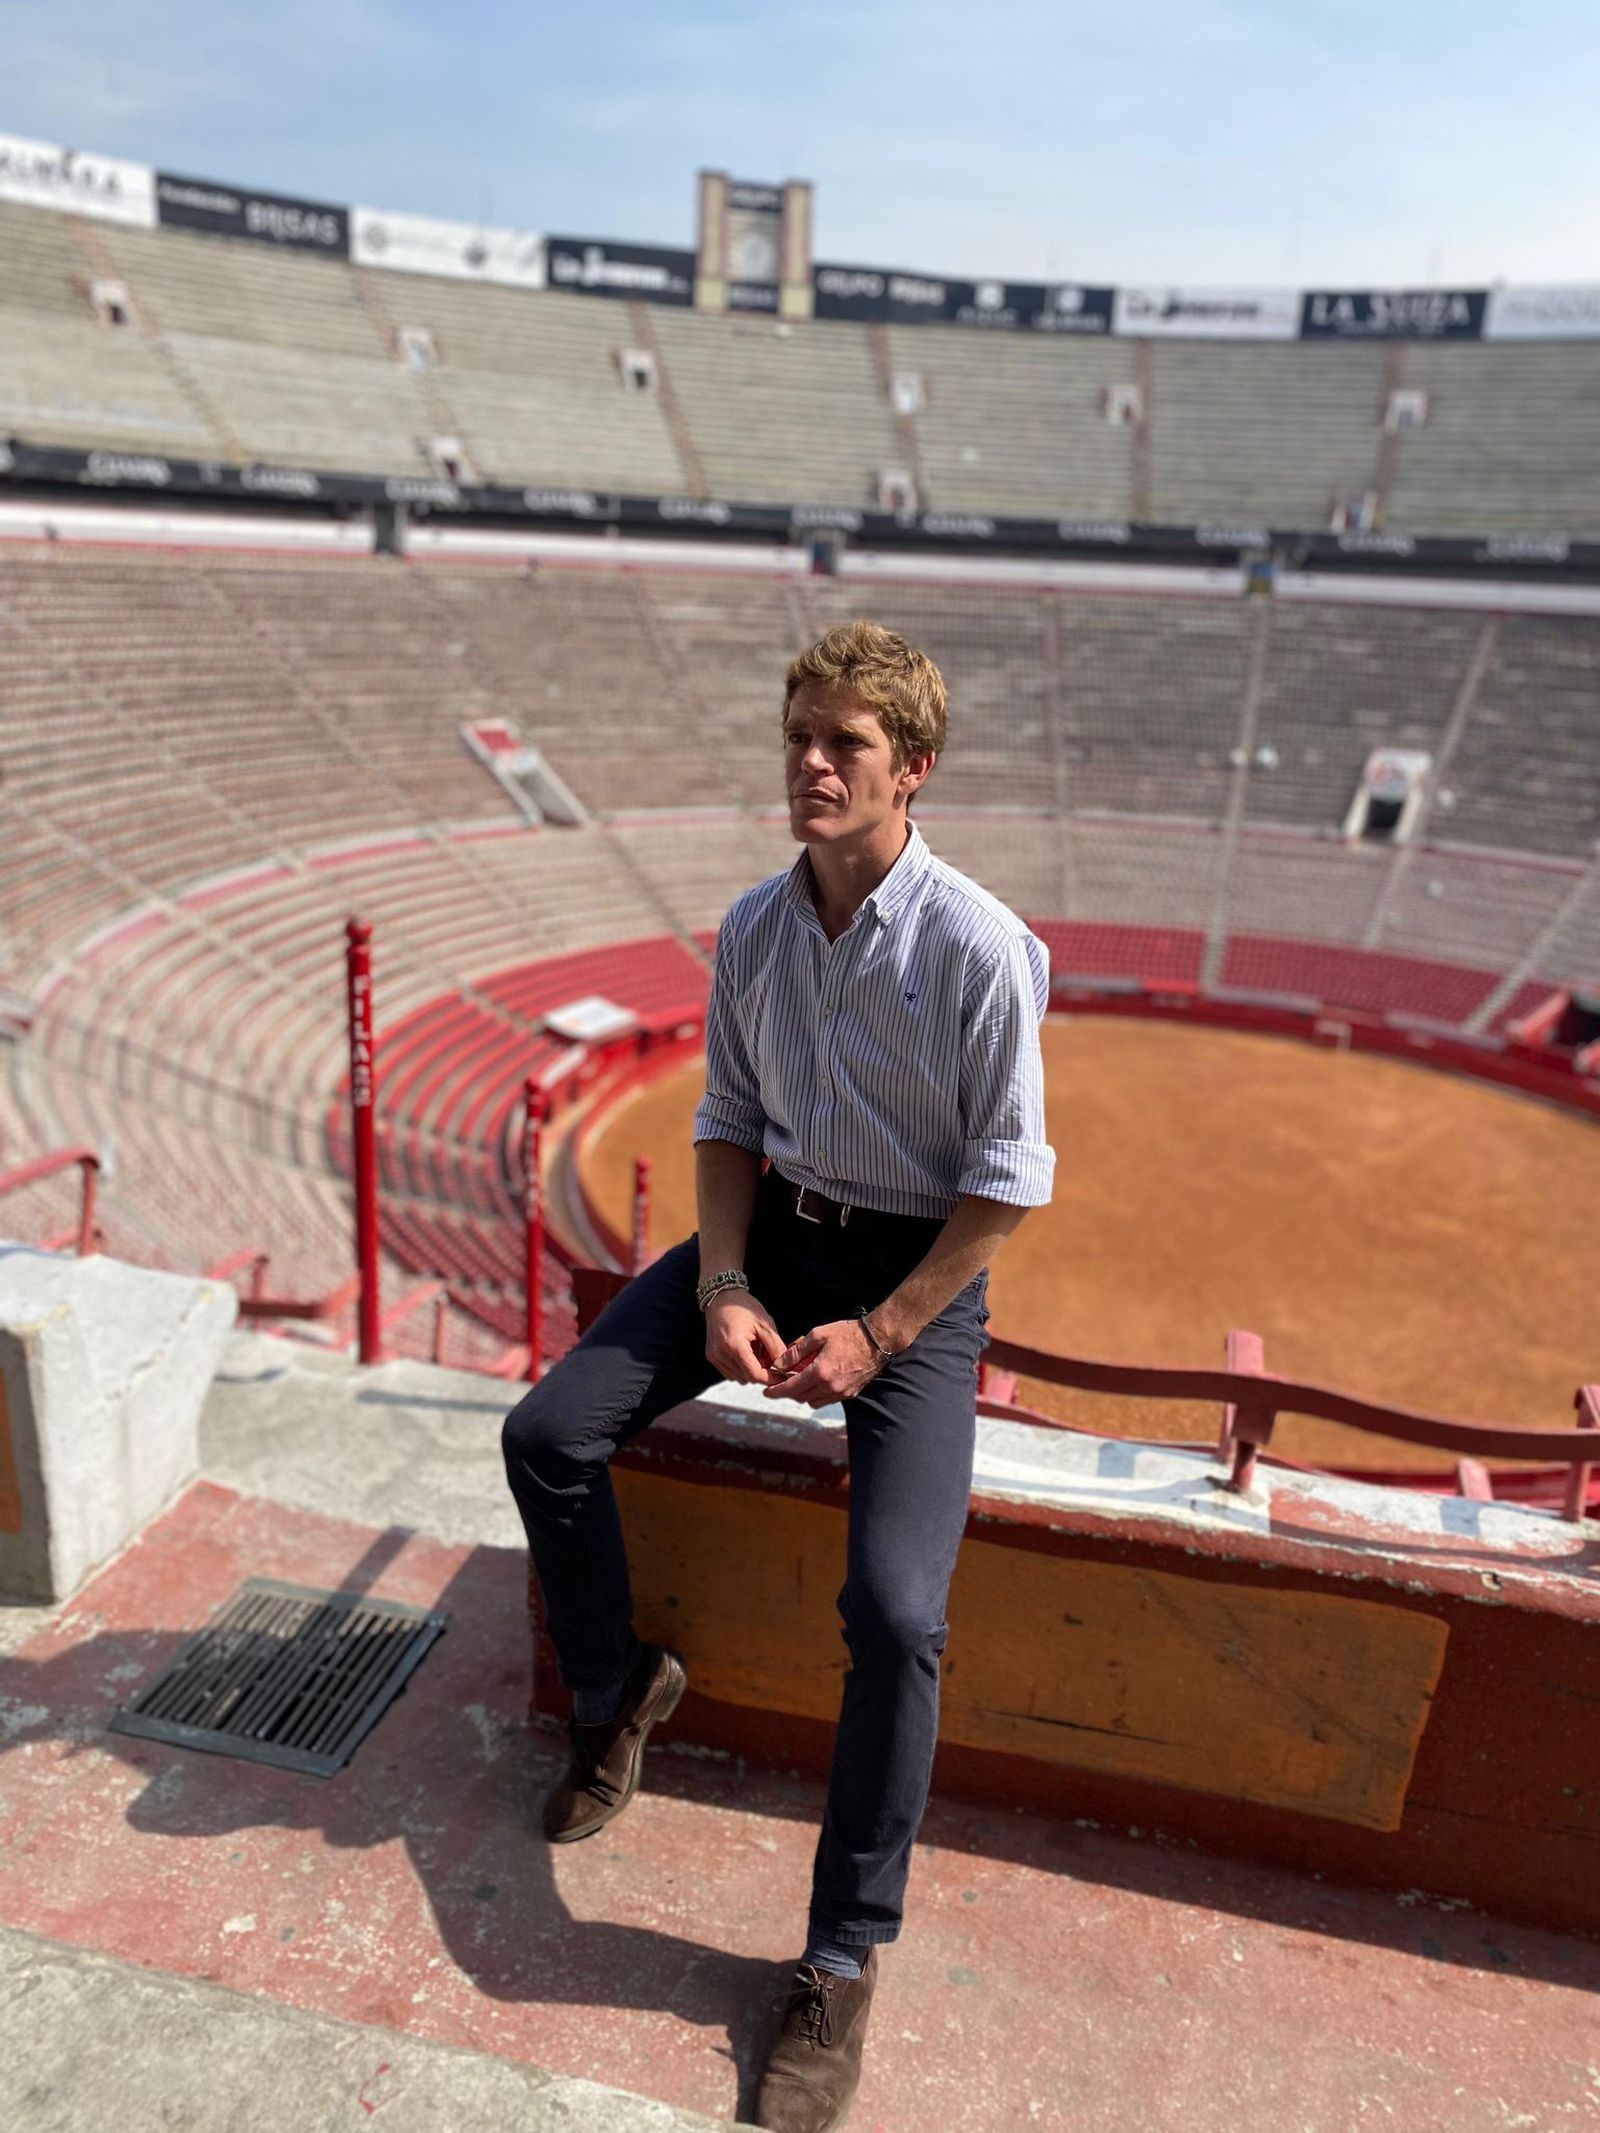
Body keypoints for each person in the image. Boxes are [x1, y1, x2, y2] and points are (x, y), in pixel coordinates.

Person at [501, 618, 1054, 2133]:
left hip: (913, 1294)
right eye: (799, 736)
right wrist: (729, 1280)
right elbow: (726, 1125)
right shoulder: (753, 926)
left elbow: (1004, 1186)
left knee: (898, 1612)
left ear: (912, 770)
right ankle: (618, 1698)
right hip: (767, 1250)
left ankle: (841, 1952)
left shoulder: (982, 948)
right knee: (547, 1429)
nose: (811, 764)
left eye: (847, 745)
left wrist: (881, 1330)